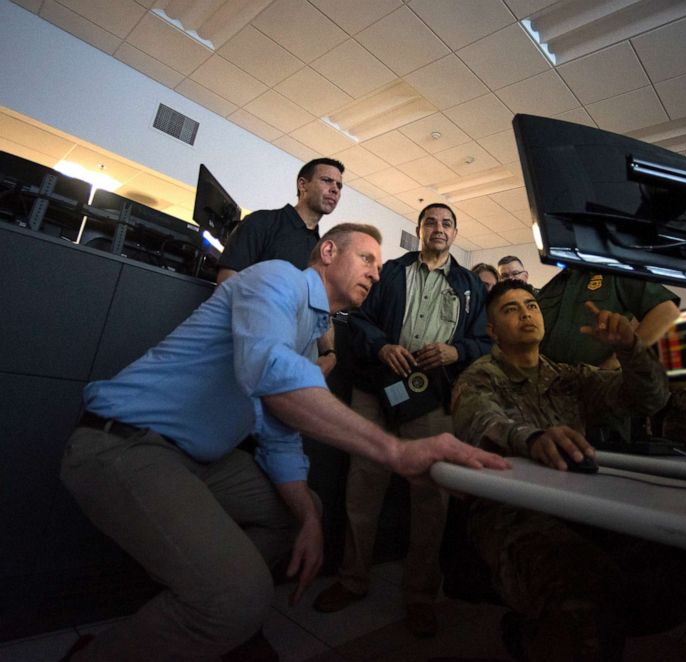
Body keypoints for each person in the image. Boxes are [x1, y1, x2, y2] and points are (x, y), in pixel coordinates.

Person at [59, 224, 508, 662]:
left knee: (301, 508)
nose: (375, 272)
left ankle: (213, 610)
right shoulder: (278, 278)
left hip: (197, 461)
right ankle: (198, 618)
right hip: (124, 443)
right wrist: (396, 450)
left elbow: (280, 436)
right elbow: (270, 371)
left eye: (380, 263)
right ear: (328, 252)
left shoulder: (310, 338)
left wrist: (308, 517)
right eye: (366, 258)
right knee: (237, 598)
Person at [451, 279, 686, 659]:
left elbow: (648, 399)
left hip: (578, 507)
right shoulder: (480, 376)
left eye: (531, 305)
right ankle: (534, 635)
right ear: (492, 330)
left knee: (674, 574)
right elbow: (479, 421)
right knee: (583, 601)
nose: (526, 313)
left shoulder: (570, 377)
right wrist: (532, 438)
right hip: (509, 513)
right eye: (510, 309)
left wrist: (631, 348)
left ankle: (539, 629)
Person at [312, 203, 490, 637]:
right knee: (362, 487)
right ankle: (353, 580)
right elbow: (357, 317)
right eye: (431, 222)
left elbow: (483, 342)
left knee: (431, 499)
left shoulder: (470, 285)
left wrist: (455, 351)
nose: (439, 228)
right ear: (419, 229)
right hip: (376, 390)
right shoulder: (390, 271)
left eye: (447, 223)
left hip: (431, 401)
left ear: (455, 233)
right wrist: (381, 346)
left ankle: (420, 596)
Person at [216, 157, 346, 374]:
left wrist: (329, 354)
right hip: (244, 354)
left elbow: (322, 311)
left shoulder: (322, 251)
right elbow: (226, 284)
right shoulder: (261, 222)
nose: (335, 189)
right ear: (302, 185)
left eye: (339, 186)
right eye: (327, 181)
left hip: (291, 364)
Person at [538, 269, 681, 442]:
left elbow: (667, 312)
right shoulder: (550, 287)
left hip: (599, 404)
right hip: (547, 405)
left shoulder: (613, 272)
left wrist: (617, 359)